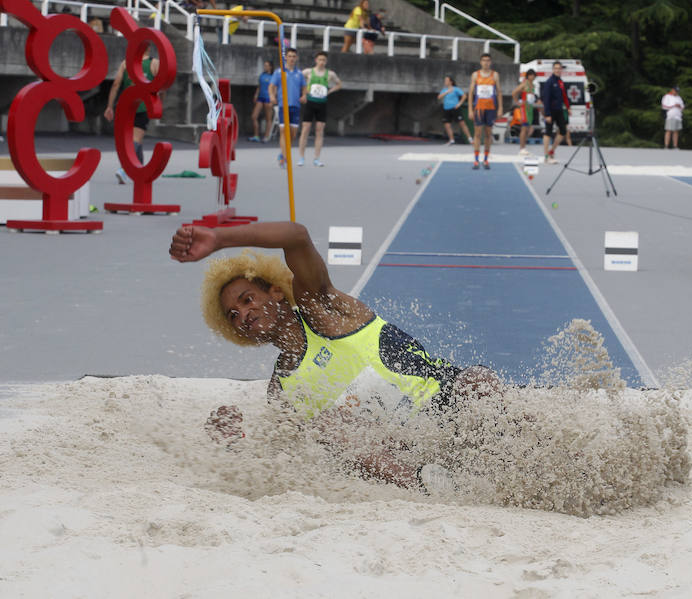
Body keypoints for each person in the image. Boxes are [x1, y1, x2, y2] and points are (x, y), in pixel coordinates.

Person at [168, 221, 501, 488]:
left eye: (246, 299)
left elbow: (296, 236)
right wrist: (233, 441)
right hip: (411, 451)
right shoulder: (282, 388)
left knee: (478, 380)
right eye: (233, 316)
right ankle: (430, 485)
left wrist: (219, 237)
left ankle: (521, 455)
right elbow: (278, 459)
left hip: (449, 408)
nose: (243, 314)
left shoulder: (323, 309)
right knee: (326, 423)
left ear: (275, 291)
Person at [104, 47, 161, 184]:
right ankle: (125, 169)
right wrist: (159, 103)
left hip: (126, 107)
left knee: (134, 141)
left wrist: (109, 106)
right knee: (135, 140)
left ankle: (140, 172)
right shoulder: (154, 63)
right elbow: (160, 86)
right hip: (142, 106)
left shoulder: (126, 63)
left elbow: (116, 84)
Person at [298, 51, 342, 167]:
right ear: (316, 60)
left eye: (324, 60)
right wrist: (303, 93)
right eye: (320, 59)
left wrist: (329, 91)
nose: (321, 62)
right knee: (305, 129)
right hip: (310, 103)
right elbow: (298, 79)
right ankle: (301, 157)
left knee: (319, 131)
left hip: (322, 104)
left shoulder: (330, 74)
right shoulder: (308, 72)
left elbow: (339, 84)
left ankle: (316, 158)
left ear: (326, 62)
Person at [267, 48, 306, 169]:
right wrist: (272, 96)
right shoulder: (279, 72)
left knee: (293, 134)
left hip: (295, 106)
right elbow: (271, 86)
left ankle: (283, 153)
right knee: (284, 132)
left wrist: (304, 95)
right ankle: (284, 157)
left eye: (294, 56)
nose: (292, 58)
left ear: (297, 58)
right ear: (286, 58)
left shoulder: (299, 73)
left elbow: (304, 87)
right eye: (290, 56)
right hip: (283, 105)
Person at [467, 53, 502, 170]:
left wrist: (500, 108)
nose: (486, 63)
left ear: (490, 62)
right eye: (484, 60)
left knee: (488, 134)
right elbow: (471, 93)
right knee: (477, 134)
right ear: (481, 62)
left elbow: (499, 92)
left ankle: (486, 159)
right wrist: (470, 109)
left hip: (491, 108)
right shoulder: (475, 75)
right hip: (478, 108)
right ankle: (476, 160)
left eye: (488, 60)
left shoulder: (495, 75)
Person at [541, 60, 569, 164]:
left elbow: (564, 96)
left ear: (561, 70)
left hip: (559, 109)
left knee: (563, 130)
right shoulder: (549, 82)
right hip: (551, 110)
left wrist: (568, 107)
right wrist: (547, 114)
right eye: (555, 68)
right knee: (548, 132)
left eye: (559, 68)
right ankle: (546, 156)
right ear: (553, 69)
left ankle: (552, 150)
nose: (557, 70)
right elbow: (546, 99)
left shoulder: (560, 81)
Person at [510, 69, 541, 155]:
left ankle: (524, 146)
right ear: (528, 76)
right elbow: (514, 92)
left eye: (534, 75)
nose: (532, 77)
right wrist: (517, 102)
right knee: (524, 128)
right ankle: (521, 148)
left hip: (530, 108)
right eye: (531, 75)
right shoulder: (524, 84)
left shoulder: (533, 85)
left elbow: (532, 97)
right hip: (524, 108)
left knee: (528, 128)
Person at [437, 76, 472, 145]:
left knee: (462, 124)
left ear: (451, 82)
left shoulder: (456, 89)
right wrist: (447, 92)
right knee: (447, 125)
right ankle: (451, 140)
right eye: (445, 80)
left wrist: (459, 104)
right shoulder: (444, 90)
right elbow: (439, 97)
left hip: (455, 108)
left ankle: (470, 139)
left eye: (447, 80)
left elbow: (464, 96)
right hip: (446, 109)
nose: (445, 82)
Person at [248, 59, 274, 143]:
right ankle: (256, 135)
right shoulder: (262, 75)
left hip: (268, 98)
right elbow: (259, 86)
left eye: (267, 65)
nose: (265, 67)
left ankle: (266, 136)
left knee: (268, 118)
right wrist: (256, 95)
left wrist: (272, 100)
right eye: (264, 65)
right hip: (260, 98)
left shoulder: (273, 77)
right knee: (254, 116)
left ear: (270, 67)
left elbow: (275, 89)